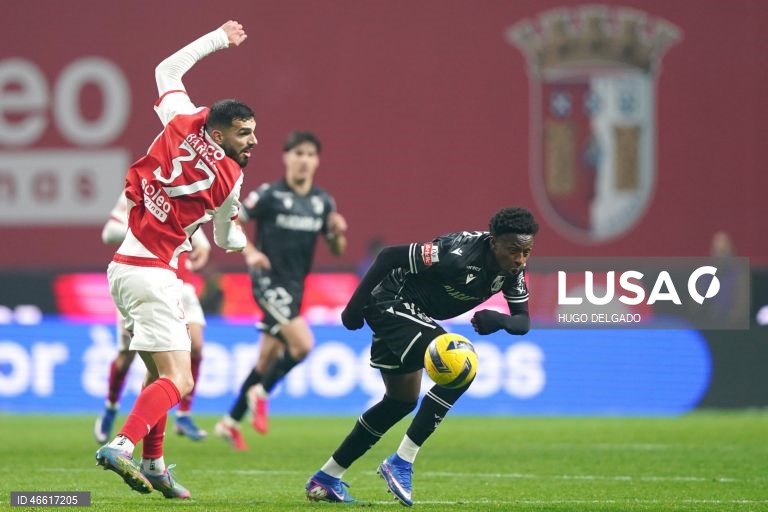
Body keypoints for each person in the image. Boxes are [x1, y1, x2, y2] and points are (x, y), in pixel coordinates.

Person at [94, 20, 255, 500]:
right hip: (154, 275)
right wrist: (238, 229)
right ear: (222, 133)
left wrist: (219, 39)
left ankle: (155, 463)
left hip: (122, 267)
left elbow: (168, 68)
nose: (252, 142)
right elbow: (227, 241)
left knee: (156, 373)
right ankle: (121, 444)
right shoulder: (231, 181)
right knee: (180, 379)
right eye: (244, 134)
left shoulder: (182, 118)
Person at [305, 207, 539, 506]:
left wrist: (500, 320)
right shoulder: (456, 253)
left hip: (413, 313)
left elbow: (523, 322)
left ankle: (325, 478)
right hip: (391, 301)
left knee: (400, 402)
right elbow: (389, 256)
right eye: (514, 251)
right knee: (461, 365)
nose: (520, 259)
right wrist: (353, 308)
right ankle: (401, 461)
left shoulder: (513, 271)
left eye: (527, 252)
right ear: (494, 243)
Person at [214, 131, 347, 450]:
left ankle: (229, 422)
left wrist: (337, 233)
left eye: (310, 154)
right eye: (297, 153)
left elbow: (337, 249)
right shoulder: (269, 195)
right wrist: (250, 253)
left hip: (294, 288)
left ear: (317, 161)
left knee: (265, 360)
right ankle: (260, 393)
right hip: (267, 281)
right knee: (302, 345)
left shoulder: (323, 202)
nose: (303, 160)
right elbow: (233, 219)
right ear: (286, 157)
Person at [94, 192, 210, 445]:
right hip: (143, 278)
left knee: (196, 346)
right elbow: (109, 233)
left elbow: (192, 229)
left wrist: (202, 243)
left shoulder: (189, 189)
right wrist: (147, 229)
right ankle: (111, 408)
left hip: (179, 282)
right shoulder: (143, 190)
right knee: (128, 356)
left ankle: (184, 414)